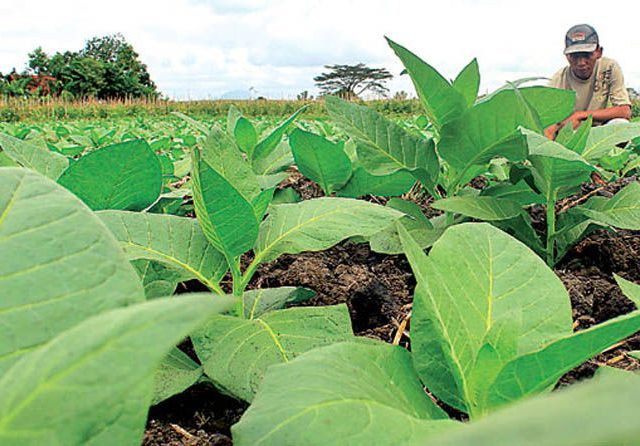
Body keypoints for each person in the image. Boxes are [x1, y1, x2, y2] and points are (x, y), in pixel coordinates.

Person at [544, 24, 631, 139]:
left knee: (621, 125)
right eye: (575, 56)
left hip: (600, 130)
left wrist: (580, 115)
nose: (581, 62)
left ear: (598, 52)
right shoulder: (558, 81)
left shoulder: (609, 67)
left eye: (587, 55)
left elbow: (624, 111)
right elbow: (548, 125)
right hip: (572, 132)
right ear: (567, 56)